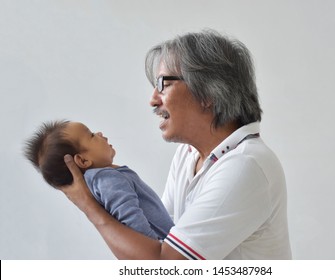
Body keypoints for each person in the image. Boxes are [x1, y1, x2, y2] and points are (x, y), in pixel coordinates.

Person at [59, 30, 292, 260]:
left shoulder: (244, 165)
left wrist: (88, 205)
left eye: (163, 84)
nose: (153, 99)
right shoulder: (188, 154)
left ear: (207, 92)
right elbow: (158, 238)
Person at [24, 120, 174, 240]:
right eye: (91, 135)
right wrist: (160, 250)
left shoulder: (101, 181)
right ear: (83, 161)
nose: (100, 134)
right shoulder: (107, 179)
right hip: (165, 248)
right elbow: (131, 219)